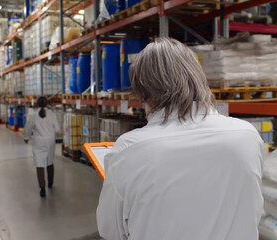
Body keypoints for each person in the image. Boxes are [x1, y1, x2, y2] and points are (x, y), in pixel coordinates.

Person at [97, 38, 264, 240]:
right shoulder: (246, 135)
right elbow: (252, 211)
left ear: (146, 93)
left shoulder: (127, 150)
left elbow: (110, 230)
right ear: (197, 78)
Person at [24, 96, 60, 197]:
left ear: (37, 104)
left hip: (38, 142)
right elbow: (57, 129)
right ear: (47, 104)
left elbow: (28, 128)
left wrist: (26, 137)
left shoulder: (33, 116)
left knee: (39, 164)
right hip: (50, 141)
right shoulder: (52, 115)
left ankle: (42, 188)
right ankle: (50, 182)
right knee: (49, 162)